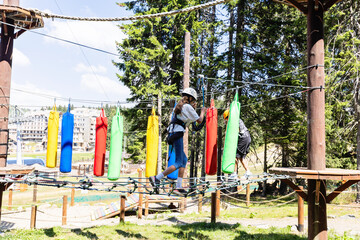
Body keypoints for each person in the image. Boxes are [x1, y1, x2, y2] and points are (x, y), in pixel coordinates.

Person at [149, 88, 206, 196]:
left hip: (174, 133)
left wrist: (193, 110)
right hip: (177, 133)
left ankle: (178, 187)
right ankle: (157, 178)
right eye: (193, 100)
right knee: (179, 162)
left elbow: (187, 122)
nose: (194, 103)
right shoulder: (187, 107)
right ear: (190, 98)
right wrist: (202, 112)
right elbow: (199, 120)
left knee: (183, 160)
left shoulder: (181, 106)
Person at [223, 109, 252, 179]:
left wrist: (227, 124)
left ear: (228, 116)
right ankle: (247, 171)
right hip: (247, 137)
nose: (226, 120)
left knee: (235, 156)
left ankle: (234, 173)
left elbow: (229, 132)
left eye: (226, 118)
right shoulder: (236, 119)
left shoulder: (233, 120)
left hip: (243, 138)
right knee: (242, 157)